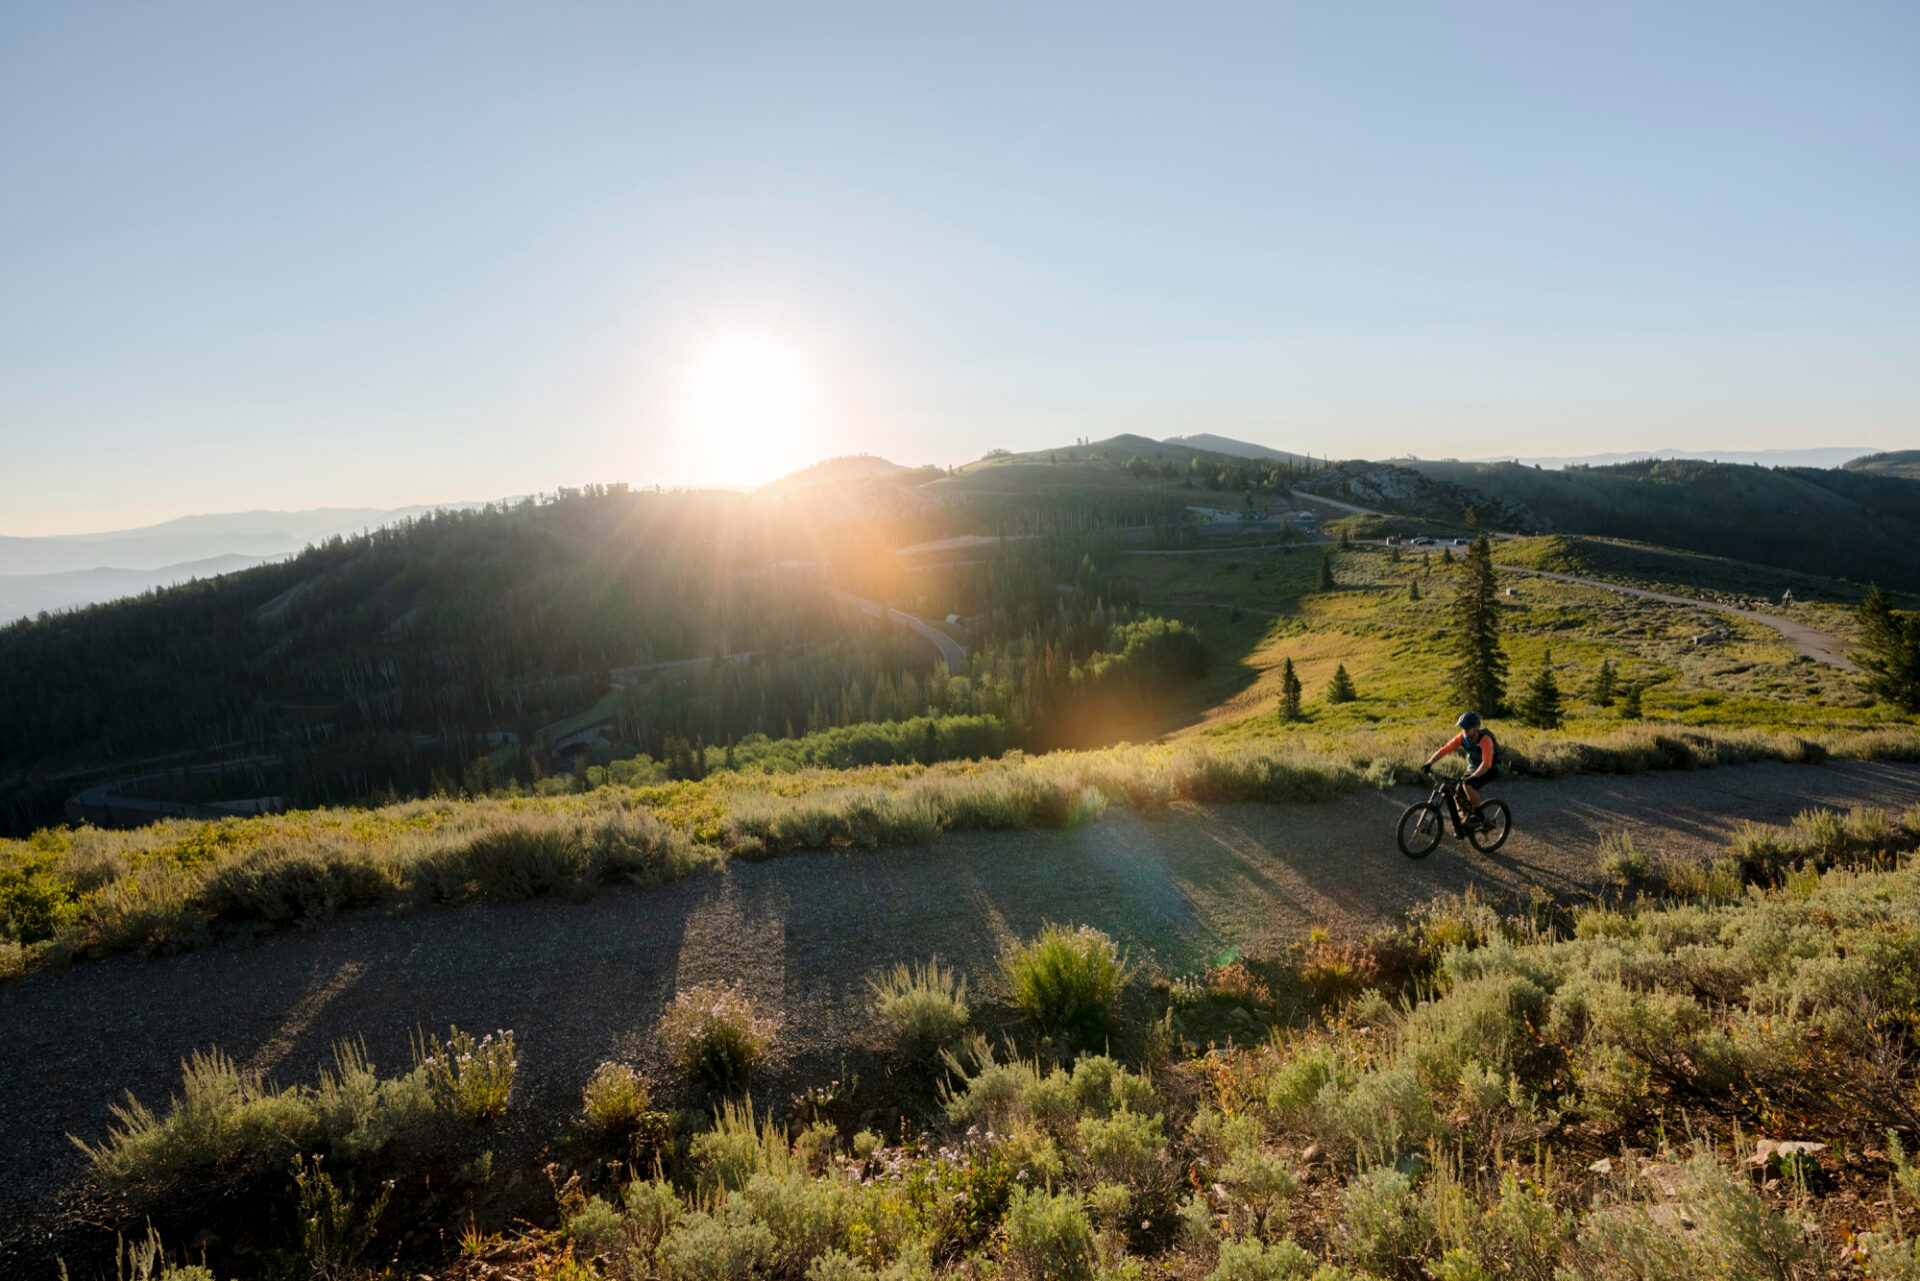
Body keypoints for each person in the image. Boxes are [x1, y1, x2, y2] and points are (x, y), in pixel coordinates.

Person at [1423, 712, 1497, 829]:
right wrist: (1429, 763)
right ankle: (1465, 816)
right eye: (1463, 728)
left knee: (1468, 784)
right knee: (1456, 789)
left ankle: (1478, 814)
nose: (1465, 731)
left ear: (1476, 728)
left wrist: (1474, 776)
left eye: (1468, 728)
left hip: (1489, 769)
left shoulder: (1485, 739)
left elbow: (1486, 764)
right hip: (1473, 767)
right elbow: (1445, 750)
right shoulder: (1462, 738)